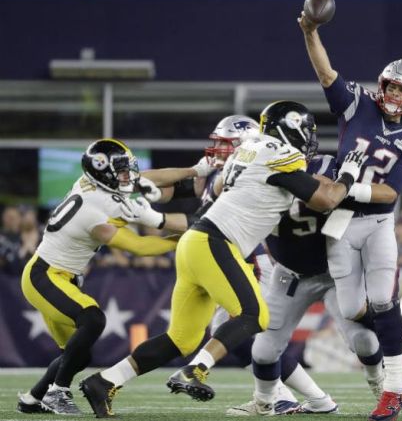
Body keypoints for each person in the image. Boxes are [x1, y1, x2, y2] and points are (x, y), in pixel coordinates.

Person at [79, 101, 367, 418]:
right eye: (308, 129)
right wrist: (349, 176)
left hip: (196, 244)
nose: (310, 136)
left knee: (181, 339)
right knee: (254, 316)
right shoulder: (279, 153)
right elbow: (326, 199)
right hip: (215, 243)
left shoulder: (247, 154)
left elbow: (215, 187)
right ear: (291, 128)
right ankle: (196, 370)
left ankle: (104, 381)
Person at [299, 10, 402, 421]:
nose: (394, 96)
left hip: (377, 222)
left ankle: (394, 390)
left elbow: (391, 190)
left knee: (381, 299)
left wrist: (345, 186)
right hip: (339, 224)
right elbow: (326, 74)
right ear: (382, 85)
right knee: (354, 309)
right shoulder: (357, 105)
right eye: (391, 87)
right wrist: (310, 31)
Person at [226, 154, 402, 416]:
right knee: (264, 350)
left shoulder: (328, 168)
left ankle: (380, 382)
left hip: (333, 269)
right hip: (290, 273)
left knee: (364, 342)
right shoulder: (257, 175)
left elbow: (363, 207)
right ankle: (266, 402)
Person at [16, 139, 180, 415]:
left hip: (56, 276)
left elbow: (149, 177)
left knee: (79, 355)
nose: (127, 176)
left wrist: (195, 170)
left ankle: (33, 399)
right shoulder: (94, 212)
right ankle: (58, 392)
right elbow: (140, 247)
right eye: (121, 170)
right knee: (93, 318)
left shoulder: (89, 184)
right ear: (103, 171)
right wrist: (181, 238)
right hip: (44, 275)